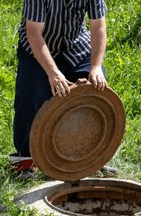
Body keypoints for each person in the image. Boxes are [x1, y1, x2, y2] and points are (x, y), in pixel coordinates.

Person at [10, 0, 116, 179]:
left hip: (75, 47)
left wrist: (96, 67)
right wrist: (53, 72)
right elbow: (33, 32)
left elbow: (98, 26)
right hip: (37, 47)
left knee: (96, 91)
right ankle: (25, 160)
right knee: (29, 98)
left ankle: (93, 157)